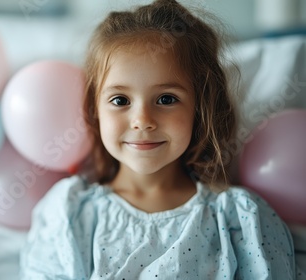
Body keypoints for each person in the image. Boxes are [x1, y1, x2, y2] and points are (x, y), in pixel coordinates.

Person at [20, 0, 296, 279]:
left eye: (166, 99)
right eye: (120, 100)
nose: (142, 120)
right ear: (95, 110)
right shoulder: (70, 214)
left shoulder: (238, 219)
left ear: (199, 108)